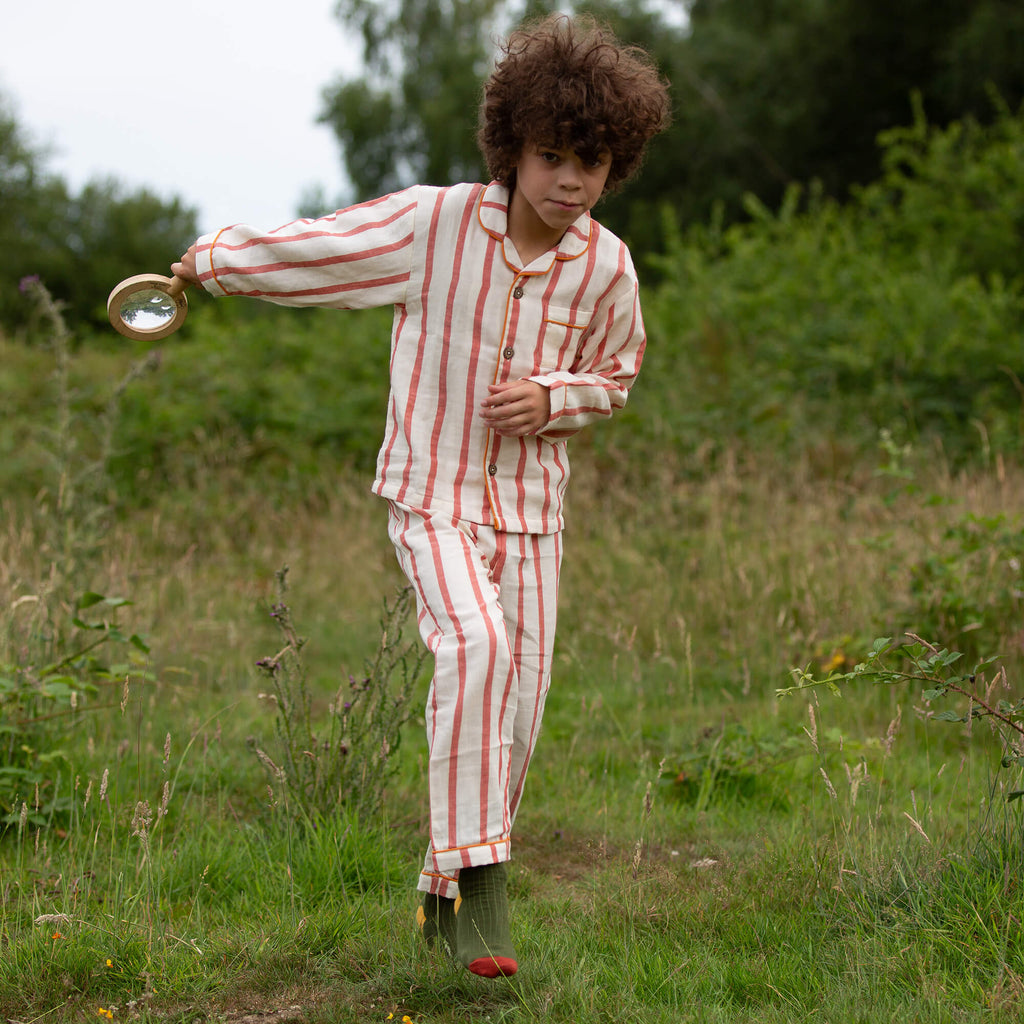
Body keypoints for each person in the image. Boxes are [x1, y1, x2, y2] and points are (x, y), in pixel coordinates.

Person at [172, 13, 669, 978]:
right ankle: (484, 890)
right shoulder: (434, 226)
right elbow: (322, 249)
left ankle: (440, 896)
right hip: (431, 495)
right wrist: (219, 261)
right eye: (552, 156)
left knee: (517, 709)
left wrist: (554, 398)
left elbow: (616, 377)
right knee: (475, 645)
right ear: (513, 147)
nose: (571, 181)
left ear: (618, 165)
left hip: (533, 514)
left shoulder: (609, 269)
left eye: (593, 162)